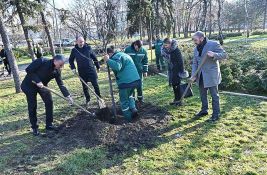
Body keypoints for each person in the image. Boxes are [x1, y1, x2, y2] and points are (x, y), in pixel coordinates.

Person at [21, 55, 73, 136]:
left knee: (49, 102)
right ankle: (34, 127)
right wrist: (37, 81)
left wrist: (68, 96)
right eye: (60, 65)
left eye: (62, 65)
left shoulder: (57, 70)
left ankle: (49, 124)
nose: (61, 67)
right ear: (55, 61)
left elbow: (61, 84)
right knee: (33, 105)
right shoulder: (42, 61)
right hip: (29, 85)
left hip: (42, 86)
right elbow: (28, 70)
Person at [190, 31, 227, 122]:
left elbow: (224, 55)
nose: (194, 41)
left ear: (202, 38)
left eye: (195, 40)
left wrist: (214, 54)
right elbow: (195, 63)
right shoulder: (196, 49)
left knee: (214, 95)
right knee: (203, 94)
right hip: (200, 75)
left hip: (211, 75)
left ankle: (216, 114)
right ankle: (204, 110)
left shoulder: (213, 44)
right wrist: (193, 75)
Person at [103, 47, 141, 122]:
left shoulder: (117, 56)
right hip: (135, 80)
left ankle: (128, 118)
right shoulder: (122, 54)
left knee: (124, 100)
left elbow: (117, 66)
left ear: (109, 54)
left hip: (126, 83)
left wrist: (108, 60)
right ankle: (133, 109)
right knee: (129, 95)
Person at [69, 37, 101, 107]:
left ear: (84, 41)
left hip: (91, 69)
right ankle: (88, 99)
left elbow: (94, 57)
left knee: (95, 85)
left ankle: (99, 99)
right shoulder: (74, 50)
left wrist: (98, 66)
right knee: (85, 86)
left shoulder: (88, 48)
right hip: (82, 71)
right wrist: (73, 68)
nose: (81, 43)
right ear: (76, 42)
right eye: (80, 42)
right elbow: (70, 60)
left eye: (82, 41)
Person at [161, 38, 186, 106]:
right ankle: (176, 99)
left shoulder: (176, 50)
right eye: (164, 45)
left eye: (166, 45)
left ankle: (180, 101)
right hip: (171, 69)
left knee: (177, 85)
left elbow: (180, 61)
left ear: (170, 44)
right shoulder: (167, 50)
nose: (164, 47)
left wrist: (181, 71)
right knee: (173, 85)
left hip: (177, 70)